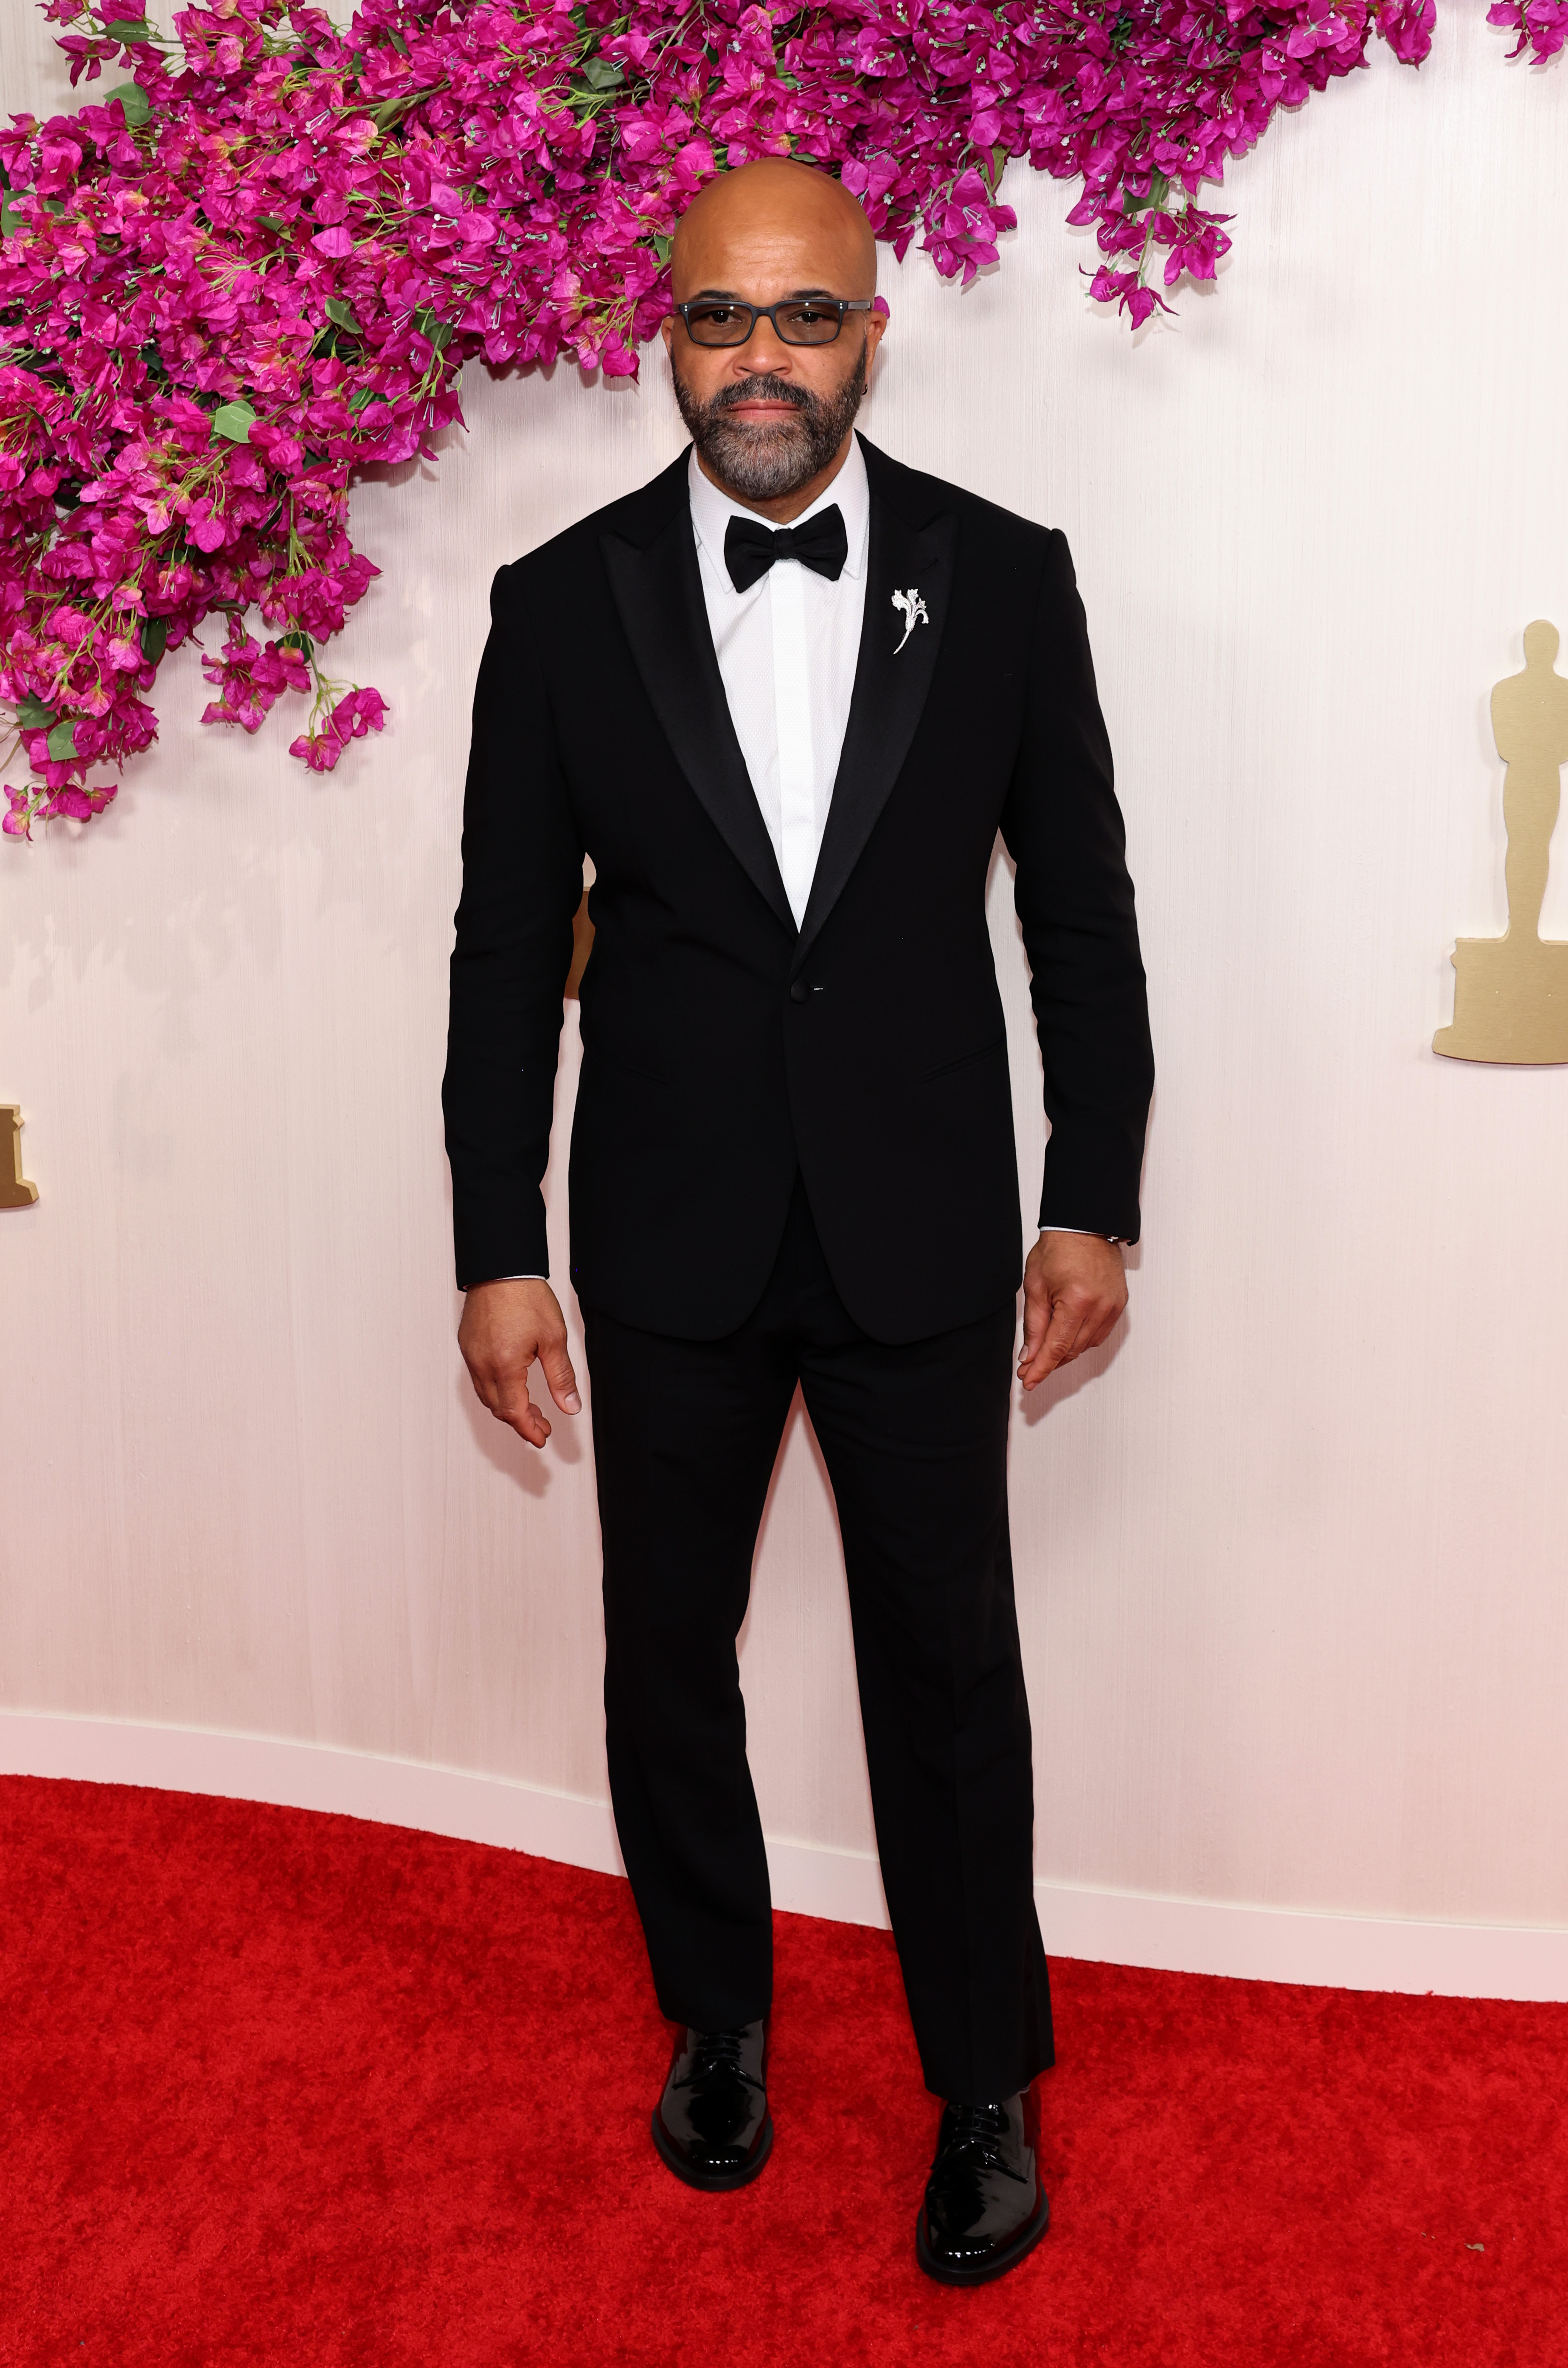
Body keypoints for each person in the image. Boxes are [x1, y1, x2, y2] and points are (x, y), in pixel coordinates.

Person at [442, 157, 1153, 2285]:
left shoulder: (1003, 577)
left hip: (923, 1221)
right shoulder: (556, 604)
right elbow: (505, 954)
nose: (761, 359)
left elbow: (1084, 921)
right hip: (665, 1228)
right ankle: (719, 2018)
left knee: (953, 1669)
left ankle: (986, 2081)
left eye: (805, 317)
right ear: (666, 333)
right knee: (668, 1652)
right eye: (719, 318)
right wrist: (496, 1242)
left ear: (871, 331)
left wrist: (1092, 1197)